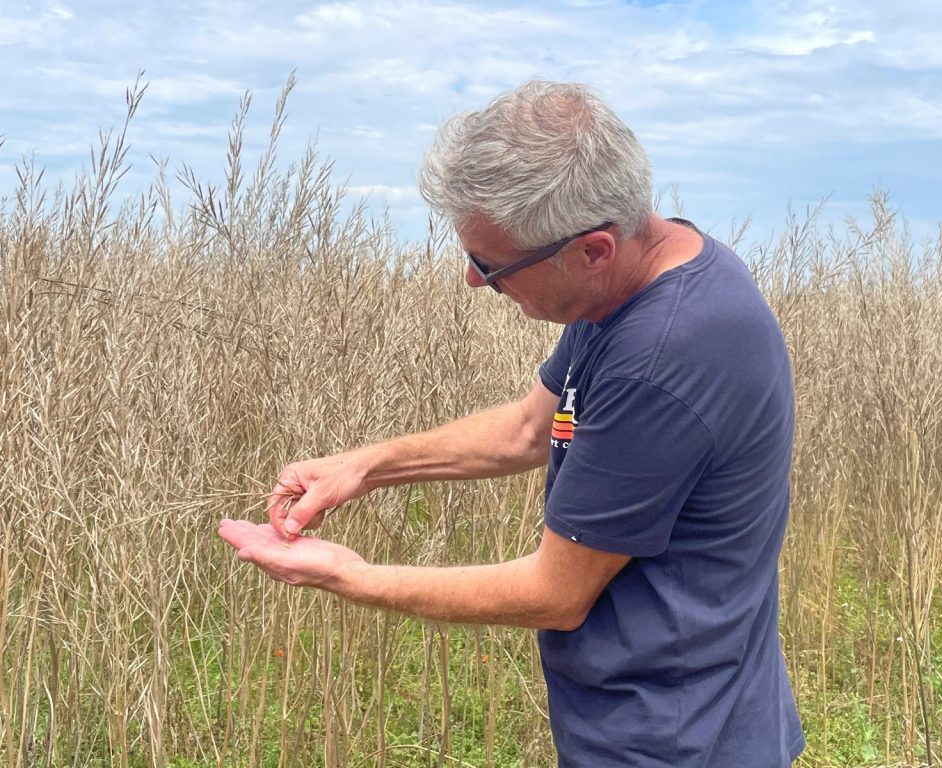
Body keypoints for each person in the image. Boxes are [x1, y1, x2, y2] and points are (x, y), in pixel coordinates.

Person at [218, 80, 805, 767]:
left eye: (492, 266)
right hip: (680, 714)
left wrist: (346, 575)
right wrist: (365, 467)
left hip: (675, 738)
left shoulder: (663, 355)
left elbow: (555, 595)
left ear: (593, 250)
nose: (475, 282)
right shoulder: (639, 273)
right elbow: (531, 427)